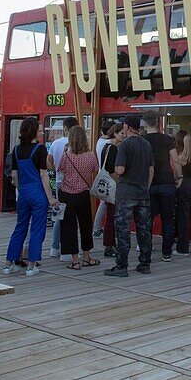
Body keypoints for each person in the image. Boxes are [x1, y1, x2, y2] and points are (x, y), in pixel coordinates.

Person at [3, 117, 59, 276]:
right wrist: (51, 198)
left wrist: (22, 190)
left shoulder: (16, 149)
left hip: (23, 192)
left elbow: (14, 176)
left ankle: (8, 264)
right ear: (33, 131)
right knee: (37, 229)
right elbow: (44, 175)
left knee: (20, 227)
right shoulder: (40, 150)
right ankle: (31, 265)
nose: (42, 133)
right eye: (40, 130)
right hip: (38, 192)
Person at [105, 114, 153, 278]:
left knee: (123, 230)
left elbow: (120, 170)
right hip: (143, 193)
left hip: (126, 193)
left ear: (126, 127)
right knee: (144, 229)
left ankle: (121, 266)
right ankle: (145, 263)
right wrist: (146, 186)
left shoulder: (124, 146)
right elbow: (151, 170)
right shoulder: (147, 144)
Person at [58, 126, 99, 269]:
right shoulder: (90, 155)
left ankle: (75, 260)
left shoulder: (66, 155)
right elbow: (95, 170)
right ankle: (86, 257)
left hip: (66, 194)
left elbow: (60, 169)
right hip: (83, 194)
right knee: (86, 225)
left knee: (69, 227)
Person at [142, 111, 177, 262]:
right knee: (168, 219)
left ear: (144, 124)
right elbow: (175, 160)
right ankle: (167, 253)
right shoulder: (168, 139)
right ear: (157, 123)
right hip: (167, 181)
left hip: (149, 184)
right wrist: (179, 177)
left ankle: (147, 251)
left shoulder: (142, 141)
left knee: (147, 220)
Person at [46, 116, 78, 258]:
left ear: (65, 128)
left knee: (60, 215)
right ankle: (68, 249)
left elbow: (49, 162)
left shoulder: (55, 143)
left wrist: (57, 170)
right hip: (75, 184)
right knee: (72, 218)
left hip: (59, 182)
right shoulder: (79, 144)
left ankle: (54, 247)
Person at [99, 123, 123, 258]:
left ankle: (109, 244)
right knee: (112, 216)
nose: (124, 136)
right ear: (115, 134)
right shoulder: (113, 149)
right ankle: (109, 245)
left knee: (110, 214)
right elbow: (112, 170)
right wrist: (119, 183)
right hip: (113, 186)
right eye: (122, 134)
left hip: (107, 186)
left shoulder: (106, 147)